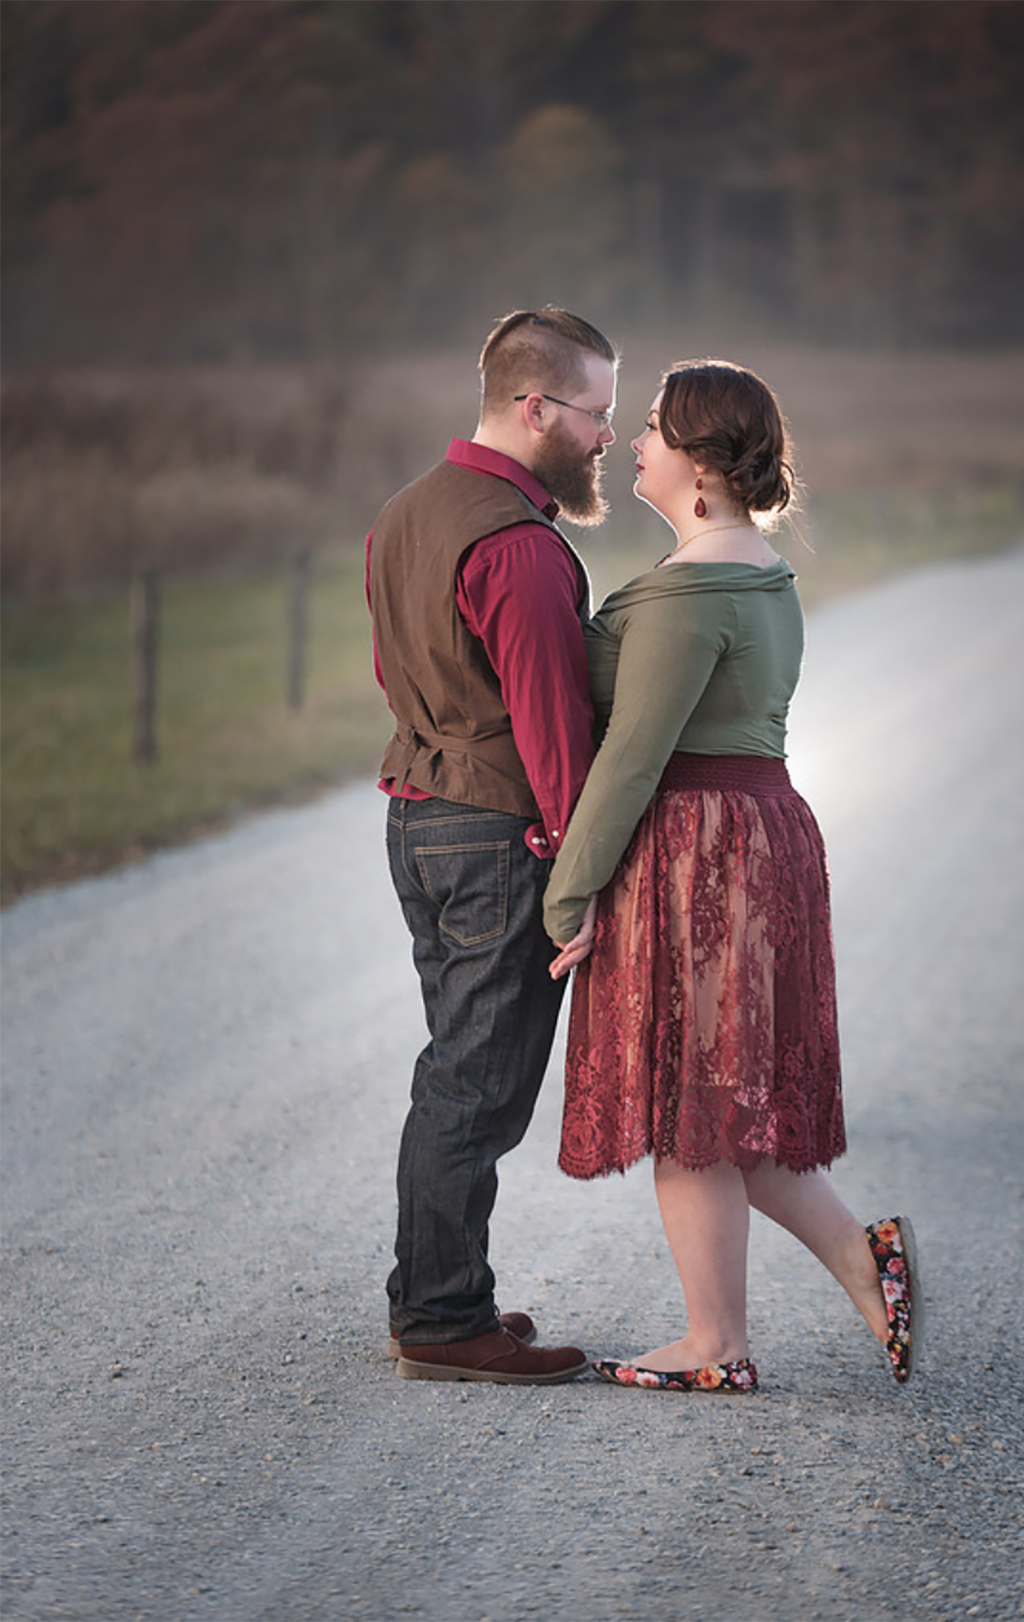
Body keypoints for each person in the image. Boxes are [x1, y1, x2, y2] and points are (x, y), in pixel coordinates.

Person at [542, 359, 921, 1393]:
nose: (634, 442)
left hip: (700, 855)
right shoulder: (763, 569)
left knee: (692, 1113)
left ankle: (717, 1343)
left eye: (655, 428)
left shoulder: (691, 589)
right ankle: (861, 1255)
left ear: (701, 465)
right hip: (763, 835)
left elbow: (631, 759)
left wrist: (566, 896)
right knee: (728, 1106)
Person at [366, 307, 619, 1383]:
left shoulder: (405, 514)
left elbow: (399, 674)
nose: (608, 434)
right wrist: (583, 873)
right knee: (477, 1083)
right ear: (536, 407)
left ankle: (440, 1294)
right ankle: (439, 1319)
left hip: (418, 816)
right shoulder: (517, 545)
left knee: (455, 1069)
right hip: (494, 830)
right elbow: (554, 729)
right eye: (598, 412)